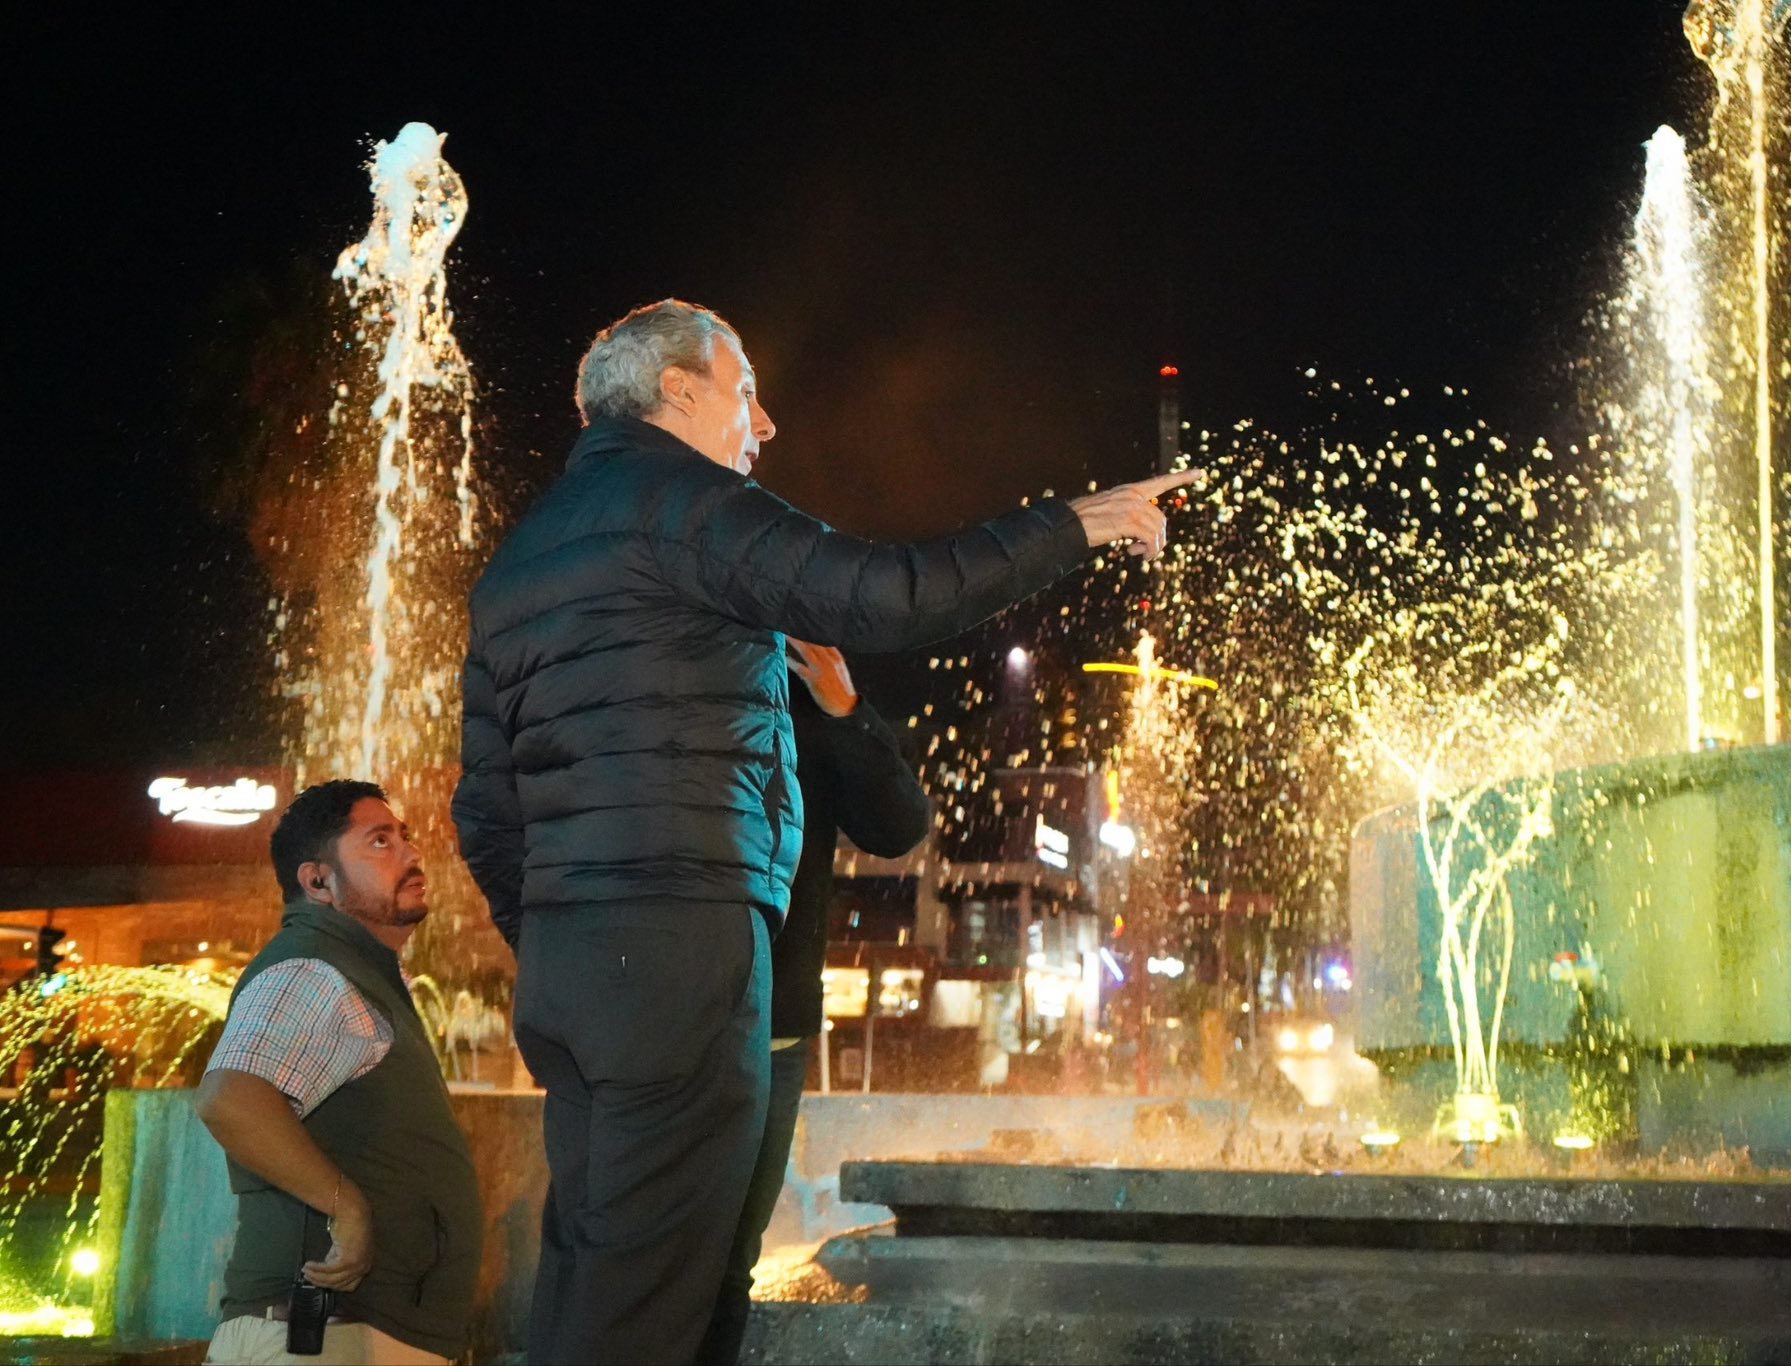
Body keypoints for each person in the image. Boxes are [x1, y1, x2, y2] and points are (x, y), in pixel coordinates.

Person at [452, 298, 1194, 1364]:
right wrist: (1077, 522)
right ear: (677, 392)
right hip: (681, 943)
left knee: (593, 1265)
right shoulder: (683, 507)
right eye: (744, 392)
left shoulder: (517, 564)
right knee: (658, 1297)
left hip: (571, 965)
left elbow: (485, 809)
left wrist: (570, 934)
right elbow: (889, 593)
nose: (763, 424)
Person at [695, 641, 931, 1366]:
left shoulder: (797, 688)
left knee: (730, 1260)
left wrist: (847, 710)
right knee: (643, 1249)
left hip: (776, 1025)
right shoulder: (663, 667)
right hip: (668, 1016)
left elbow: (900, 826)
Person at [197, 780, 483, 1365]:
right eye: (379, 841)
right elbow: (230, 1098)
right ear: (318, 882)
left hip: (357, 1334)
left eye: (404, 837)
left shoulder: (357, 971)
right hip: (320, 1336)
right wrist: (345, 1205)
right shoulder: (312, 968)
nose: (410, 853)